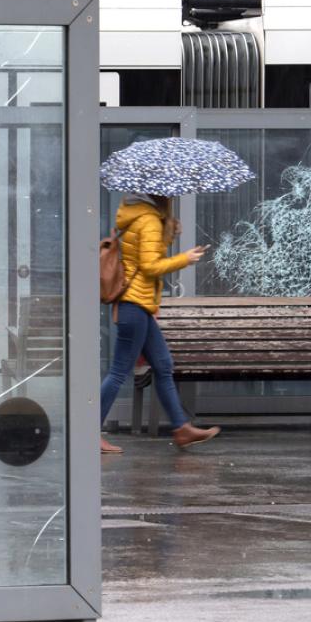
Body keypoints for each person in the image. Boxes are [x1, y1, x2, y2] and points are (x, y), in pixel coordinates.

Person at [100, 193, 220, 454]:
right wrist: (184, 259)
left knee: (163, 365)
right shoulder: (149, 220)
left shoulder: (140, 217)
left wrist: (169, 230)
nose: (174, 198)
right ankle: (89, 431)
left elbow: (143, 255)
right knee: (119, 371)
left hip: (139, 305)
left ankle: (181, 428)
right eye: (172, 196)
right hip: (135, 305)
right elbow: (149, 266)